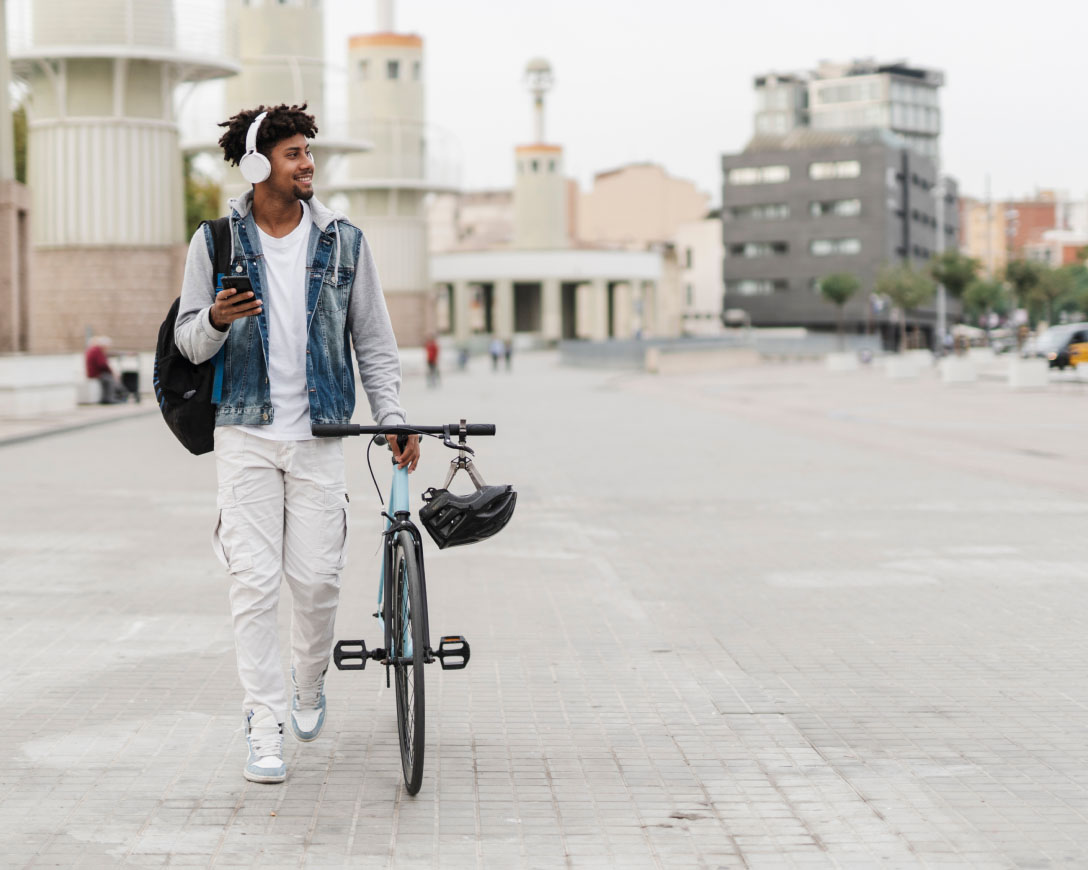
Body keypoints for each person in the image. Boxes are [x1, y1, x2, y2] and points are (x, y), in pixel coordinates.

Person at [174, 103, 420, 785]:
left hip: (320, 434)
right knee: (253, 583)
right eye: (293, 154)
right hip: (244, 434)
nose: (308, 163)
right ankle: (263, 718)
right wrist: (218, 320)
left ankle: (308, 680)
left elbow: (374, 343)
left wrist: (392, 415)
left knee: (317, 581)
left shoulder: (344, 241)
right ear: (259, 165)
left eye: (309, 153)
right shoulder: (215, 243)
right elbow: (187, 340)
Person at [84, 335, 129, 403]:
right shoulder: (96, 350)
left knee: (111, 377)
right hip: (96, 373)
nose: (108, 348)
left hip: (96, 372)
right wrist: (112, 372)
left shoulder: (95, 350)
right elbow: (102, 364)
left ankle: (116, 396)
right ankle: (109, 398)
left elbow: (106, 358)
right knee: (110, 379)